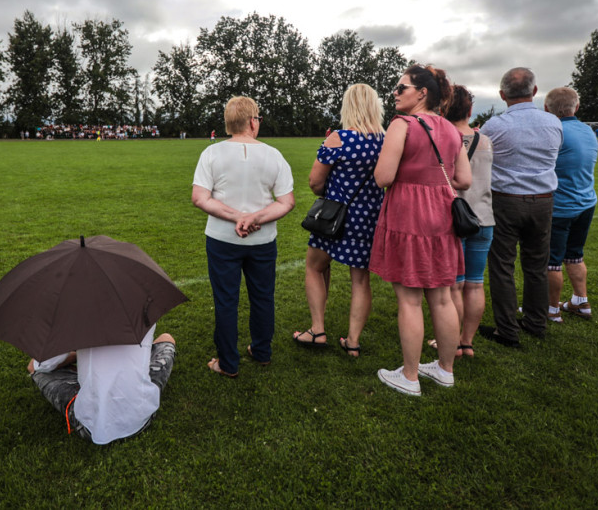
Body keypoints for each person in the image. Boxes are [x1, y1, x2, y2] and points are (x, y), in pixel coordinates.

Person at [371, 65, 471, 397]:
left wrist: (411, 176)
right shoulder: (450, 129)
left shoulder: (402, 125)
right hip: (442, 213)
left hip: (409, 213)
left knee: (410, 301)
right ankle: (445, 370)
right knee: (442, 297)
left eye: (402, 88)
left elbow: (383, 177)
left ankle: (410, 376)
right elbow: (464, 180)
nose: (396, 93)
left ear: (422, 93)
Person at [192, 97, 295, 378]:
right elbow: (286, 202)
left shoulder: (211, 154)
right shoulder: (273, 155)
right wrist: (251, 218)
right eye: (258, 118)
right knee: (263, 297)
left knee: (226, 300)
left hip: (222, 239)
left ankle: (229, 362)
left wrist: (242, 218)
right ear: (252, 122)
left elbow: (200, 198)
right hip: (261, 241)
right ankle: (261, 352)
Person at [293, 84, 385, 356]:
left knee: (315, 267)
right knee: (360, 280)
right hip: (368, 217)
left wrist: (331, 192)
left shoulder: (338, 138)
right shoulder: (386, 139)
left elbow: (314, 181)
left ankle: (318, 330)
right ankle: (353, 342)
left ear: (349, 107)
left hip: (335, 217)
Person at [478, 67, 563, 348]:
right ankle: (536, 323)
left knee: (502, 265)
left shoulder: (495, 126)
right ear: (535, 91)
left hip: (506, 200)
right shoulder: (553, 123)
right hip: (543, 200)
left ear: (502, 95)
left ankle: (507, 330)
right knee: (536, 265)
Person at [28, 328, 176, 445]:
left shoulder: (76, 317)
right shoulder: (141, 308)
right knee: (166, 338)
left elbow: (42, 365)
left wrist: (75, 354)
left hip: (92, 426)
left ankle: (86, 369)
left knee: (34, 366)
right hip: (142, 414)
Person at [440, 85, 494, 357]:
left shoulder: (443, 140)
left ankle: (449, 340)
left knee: (454, 284)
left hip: (454, 220)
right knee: (475, 283)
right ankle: (466, 342)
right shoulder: (486, 141)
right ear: (470, 110)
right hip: (484, 219)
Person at [544, 87, 598, 322]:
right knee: (575, 255)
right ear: (576, 107)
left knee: (551, 262)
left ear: (547, 109)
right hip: (586, 202)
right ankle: (580, 301)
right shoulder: (588, 131)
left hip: (561, 207)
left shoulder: (555, 131)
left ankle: (550, 309)